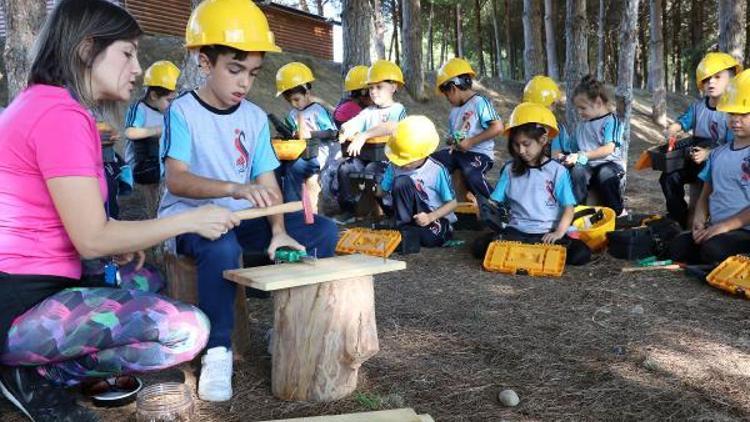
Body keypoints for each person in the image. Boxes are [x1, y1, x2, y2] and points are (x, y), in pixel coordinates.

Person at [0, 1, 237, 420]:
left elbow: (67, 226)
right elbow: (92, 235)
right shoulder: (60, 115)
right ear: (86, 49)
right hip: (16, 306)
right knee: (188, 330)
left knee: (146, 279)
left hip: (36, 285)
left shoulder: (44, 103)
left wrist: (111, 246)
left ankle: (32, 363)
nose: (137, 68)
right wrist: (189, 219)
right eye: (127, 53)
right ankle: (32, 373)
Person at [158, 0, 338, 402]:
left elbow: (267, 182)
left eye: (253, 73)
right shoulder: (183, 112)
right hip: (191, 220)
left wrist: (276, 231)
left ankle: (286, 325)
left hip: (244, 217)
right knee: (221, 244)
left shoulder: (255, 117)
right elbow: (178, 179)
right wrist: (234, 190)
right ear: (205, 62)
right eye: (234, 69)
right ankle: (217, 349)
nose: (244, 83)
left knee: (322, 232)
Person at [473, 103, 591, 265]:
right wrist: (484, 210)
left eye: (526, 144)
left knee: (581, 254)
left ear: (543, 140)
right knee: (478, 247)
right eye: (516, 145)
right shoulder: (509, 170)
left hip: (546, 233)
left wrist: (558, 233)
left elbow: (568, 209)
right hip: (516, 231)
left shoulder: (558, 171)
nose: (521, 151)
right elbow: (494, 201)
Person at [669, 69, 750, 265]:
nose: (735, 120)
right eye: (732, 113)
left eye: (744, 114)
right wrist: (699, 220)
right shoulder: (718, 153)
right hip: (717, 228)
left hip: (743, 230)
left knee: (712, 250)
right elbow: (706, 192)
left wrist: (724, 227)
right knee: (678, 246)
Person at [659, 52, 740, 228]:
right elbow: (684, 121)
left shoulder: (732, 112)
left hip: (718, 162)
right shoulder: (698, 107)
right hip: (695, 157)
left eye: (718, 77)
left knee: (701, 194)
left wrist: (709, 154)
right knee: (668, 177)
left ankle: (701, 219)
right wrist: (673, 129)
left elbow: (732, 146)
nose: (711, 82)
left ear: (732, 79)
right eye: (706, 78)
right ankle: (677, 217)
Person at [336, 59, 407, 223]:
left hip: (390, 160)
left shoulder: (397, 109)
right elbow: (355, 122)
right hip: (367, 157)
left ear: (393, 87)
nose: (373, 92)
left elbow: (389, 127)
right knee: (346, 169)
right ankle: (351, 209)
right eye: (371, 88)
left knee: (372, 172)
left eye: (379, 87)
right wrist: (345, 130)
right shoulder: (368, 111)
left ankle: (390, 211)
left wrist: (363, 135)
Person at [378, 116, 457, 247]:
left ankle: (435, 230)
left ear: (423, 153)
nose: (401, 164)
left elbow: (453, 202)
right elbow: (382, 192)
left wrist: (431, 217)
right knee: (401, 182)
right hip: (406, 217)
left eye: (407, 161)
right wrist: (373, 188)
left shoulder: (436, 170)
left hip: (432, 216)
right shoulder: (394, 165)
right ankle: (403, 228)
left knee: (429, 240)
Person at [432, 58, 504, 199]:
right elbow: (455, 137)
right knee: (432, 163)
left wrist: (470, 142)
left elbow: (498, 127)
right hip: (459, 154)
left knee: (471, 174)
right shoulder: (454, 112)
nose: (447, 99)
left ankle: (496, 205)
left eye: (446, 95)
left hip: (479, 154)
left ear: (453, 88)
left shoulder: (479, 103)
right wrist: (452, 140)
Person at [123, 60, 180, 216]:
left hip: (161, 165)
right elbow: (130, 133)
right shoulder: (139, 108)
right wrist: (157, 131)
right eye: (169, 100)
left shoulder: (168, 111)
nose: (173, 104)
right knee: (154, 202)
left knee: (165, 199)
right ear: (154, 95)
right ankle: (154, 226)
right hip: (144, 167)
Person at [274, 62, 338, 202]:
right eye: (289, 100)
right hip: (298, 152)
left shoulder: (317, 111)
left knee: (295, 168)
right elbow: (289, 132)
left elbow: (333, 134)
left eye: (296, 99)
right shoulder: (292, 114)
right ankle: (278, 204)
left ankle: (295, 210)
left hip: (318, 154)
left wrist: (313, 134)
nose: (293, 104)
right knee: (276, 167)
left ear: (307, 93)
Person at [564, 75, 626, 216]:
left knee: (605, 175)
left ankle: (618, 213)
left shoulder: (611, 121)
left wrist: (583, 155)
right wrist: (567, 156)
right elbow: (572, 147)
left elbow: (608, 148)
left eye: (583, 108)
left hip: (609, 164)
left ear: (598, 102)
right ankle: (577, 213)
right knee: (577, 171)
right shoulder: (582, 126)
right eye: (578, 108)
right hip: (586, 165)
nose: (579, 112)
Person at [523, 75, 573, 161]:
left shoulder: (558, 129)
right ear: (552, 105)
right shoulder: (558, 129)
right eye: (553, 104)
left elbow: (564, 153)